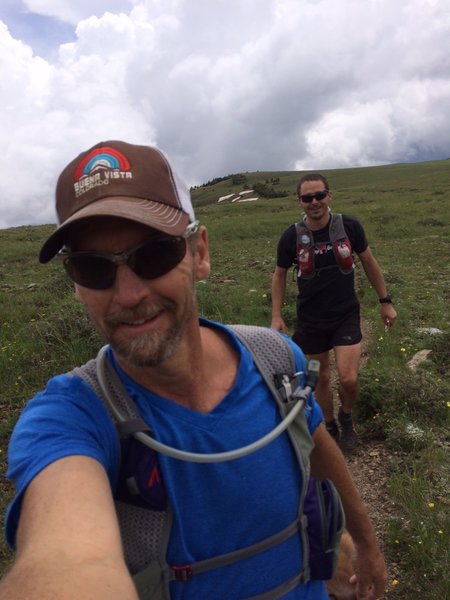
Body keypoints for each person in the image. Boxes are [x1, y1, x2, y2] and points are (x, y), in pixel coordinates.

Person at [1, 141, 387, 600]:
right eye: (92, 267)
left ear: (198, 253)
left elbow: (319, 449)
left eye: (154, 255)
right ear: (77, 284)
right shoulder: (71, 417)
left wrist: (366, 542)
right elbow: (65, 560)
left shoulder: (274, 359)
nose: (128, 294)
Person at [271, 173, 397, 452]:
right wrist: (276, 315)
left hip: (345, 316)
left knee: (349, 378)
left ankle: (346, 417)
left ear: (329, 195)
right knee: (321, 377)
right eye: (307, 198)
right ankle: (328, 424)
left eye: (319, 195)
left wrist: (384, 301)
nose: (314, 202)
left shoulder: (349, 226)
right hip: (311, 321)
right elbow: (279, 275)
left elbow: (369, 262)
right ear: (299, 202)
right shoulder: (292, 236)